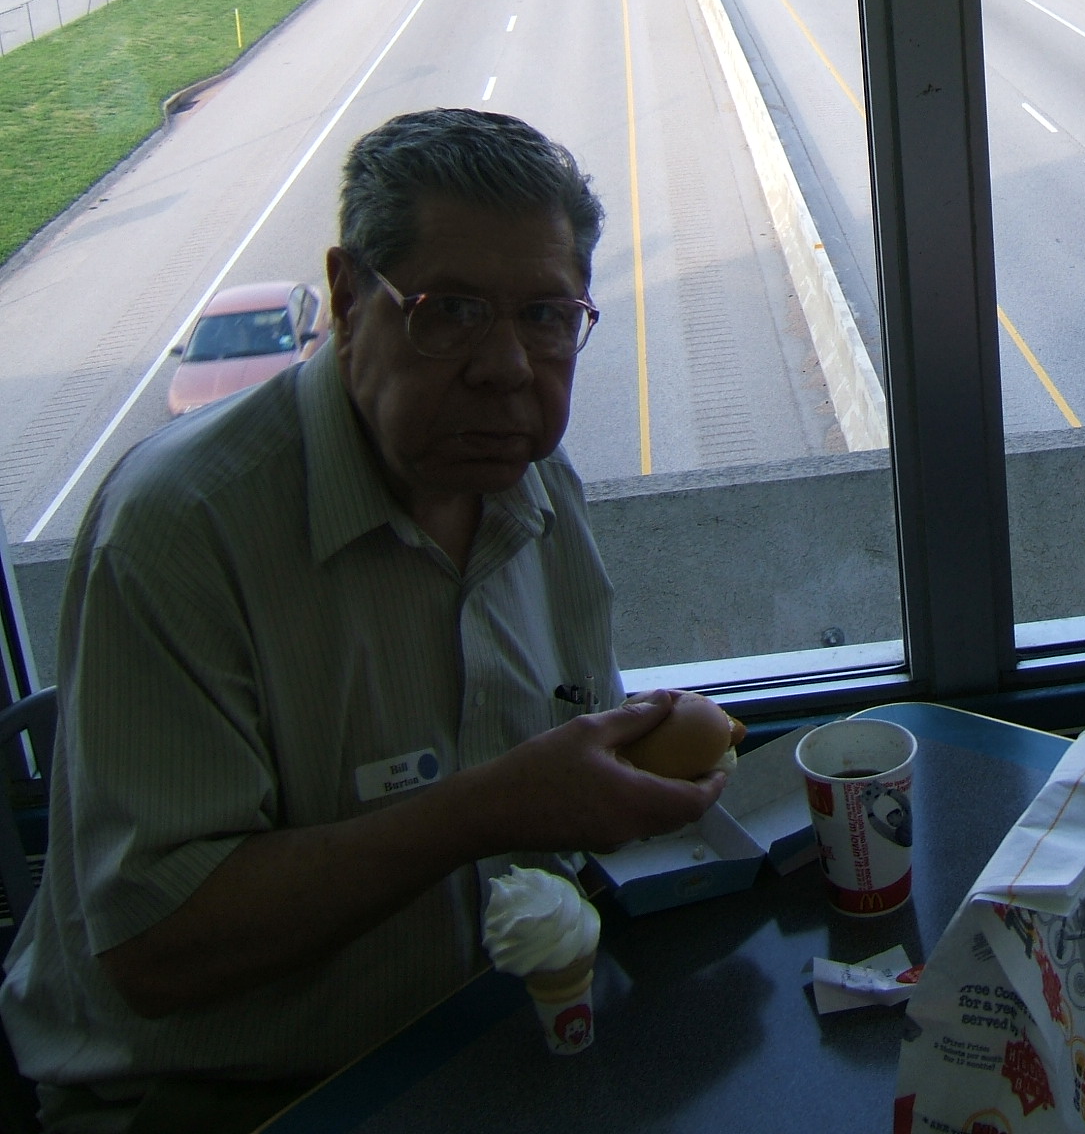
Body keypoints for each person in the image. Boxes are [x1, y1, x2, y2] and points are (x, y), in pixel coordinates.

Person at [2, 109, 725, 1133]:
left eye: (547, 317)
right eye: (454, 312)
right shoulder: (180, 528)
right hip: (221, 1100)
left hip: (477, 1046)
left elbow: (559, 794)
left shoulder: (537, 490)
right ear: (347, 300)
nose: (508, 368)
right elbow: (157, 950)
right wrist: (490, 809)